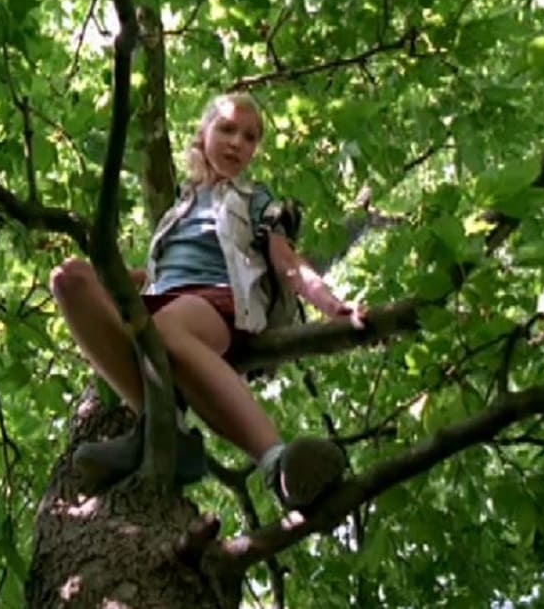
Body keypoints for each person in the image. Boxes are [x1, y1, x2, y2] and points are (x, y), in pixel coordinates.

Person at [49, 92, 365, 511]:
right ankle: (164, 427)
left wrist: (333, 306)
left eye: (249, 137)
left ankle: (277, 464)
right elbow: (156, 275)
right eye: (227, 129)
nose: (237, 143)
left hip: (217, 304)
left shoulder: (256, 199)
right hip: (160, 306)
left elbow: (287, 262)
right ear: (203, 134)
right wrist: (103, 279)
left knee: (167, 327)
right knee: (69, 278)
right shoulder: (178, 211)